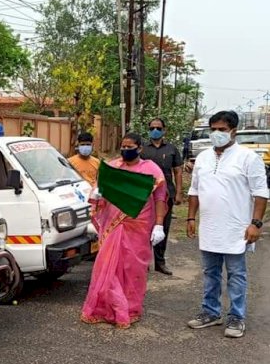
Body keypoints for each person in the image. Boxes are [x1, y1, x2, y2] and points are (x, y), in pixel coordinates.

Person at [186, 110, 268, 339]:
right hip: (210, 227)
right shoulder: (203, 157)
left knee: (236, 274)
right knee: (210, 272)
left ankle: (236, 317)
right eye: (213, 129)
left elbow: (261, 194)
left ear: (234, 131)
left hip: (236, 229)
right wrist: (191, 217)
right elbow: (194, 190)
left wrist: (256, 223)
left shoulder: (248, 158)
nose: (216, 134)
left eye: (221, 130)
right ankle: (211, 312)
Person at [81, 132, 167, 329]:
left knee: (132, 268)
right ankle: (107, 308)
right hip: (113, 224)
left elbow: (160, 198)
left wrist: (159, 224)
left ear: (140, 149)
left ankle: (129, 308)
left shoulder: (151, 170)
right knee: (107, 266)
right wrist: (96, 192)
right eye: (123, 146)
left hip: (139, 225)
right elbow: (99, 190)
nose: (126, 150)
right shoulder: (112, 167)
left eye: (130, 147)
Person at [140, 117, 184, 275]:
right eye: (151, 128)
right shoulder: (143, 149)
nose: (155, 131)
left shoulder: (172, 149)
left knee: (163, 228)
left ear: (164, 130)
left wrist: (178, 192)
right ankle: (144, 262)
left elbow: (178, 171)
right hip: (146, 196)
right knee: (145, 229)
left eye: (158, 128)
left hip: (166, 195)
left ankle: (160, 262)